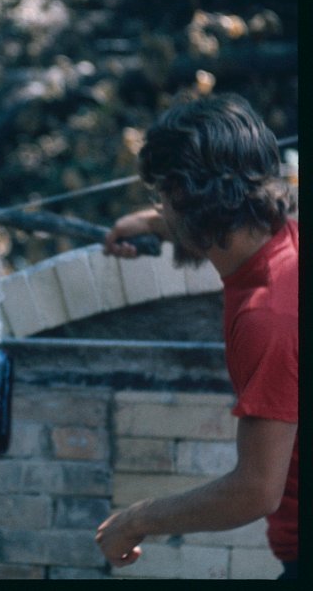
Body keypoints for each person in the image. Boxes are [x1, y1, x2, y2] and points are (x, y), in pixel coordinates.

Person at [96, 94, 298, 580]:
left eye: (161, 196)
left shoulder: (268, 317)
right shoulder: (284, 240)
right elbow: (209, 219)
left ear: (185, 197)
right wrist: (150, 224)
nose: (159, 207)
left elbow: (255, 489)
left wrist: (134, 521)